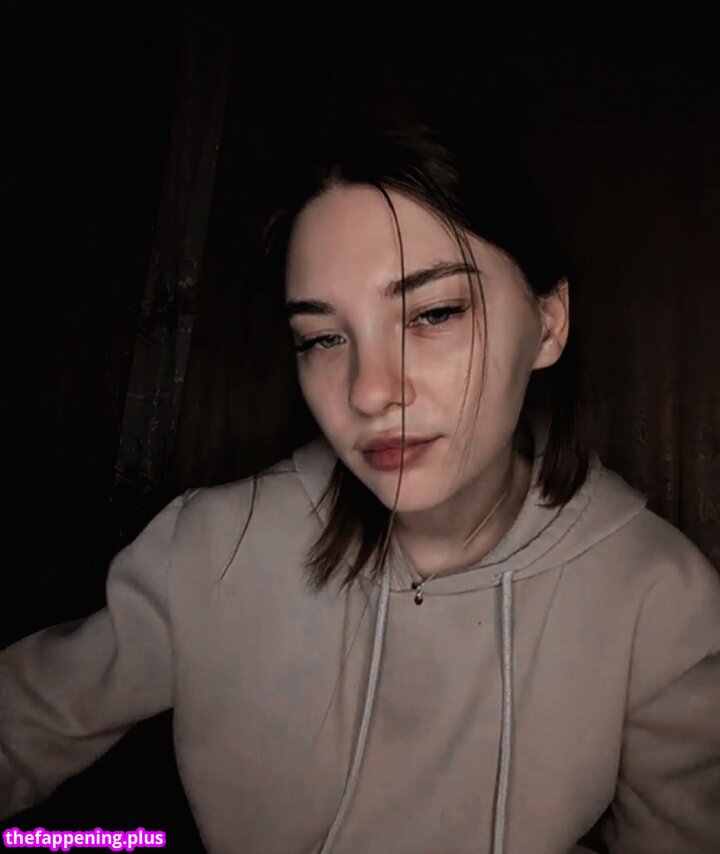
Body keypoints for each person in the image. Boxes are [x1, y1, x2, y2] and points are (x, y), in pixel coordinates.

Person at [1, 104, 719, 854]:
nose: (370, 392)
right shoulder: (210, 547)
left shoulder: (659, 599)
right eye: (322, 338)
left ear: (548, 322)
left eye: (433, 313)